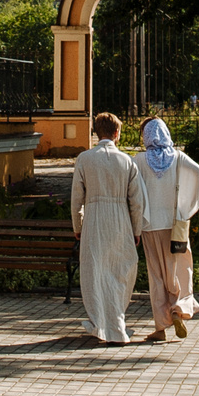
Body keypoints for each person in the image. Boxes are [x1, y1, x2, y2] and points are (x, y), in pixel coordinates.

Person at [69, 111, 145, 345]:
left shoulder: (84, 159)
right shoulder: (127, 161)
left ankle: (100, 322)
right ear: (116, 133)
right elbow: (137, 201)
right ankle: (117, 321)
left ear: (96, 132)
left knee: (95, 271)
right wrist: (136, 229)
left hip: (94, 219)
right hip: (120, 219)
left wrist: (77, 225)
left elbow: (76, 198)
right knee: (120, 271)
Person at [135, 117, 199, 342]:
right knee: (180, 271)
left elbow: (129, 185)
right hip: (175, 227)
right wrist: (186, 207)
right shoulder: (178, 157)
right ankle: (178, 309)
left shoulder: (139, 160)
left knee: (156, 276)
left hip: (150, 227)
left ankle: (160, 328)